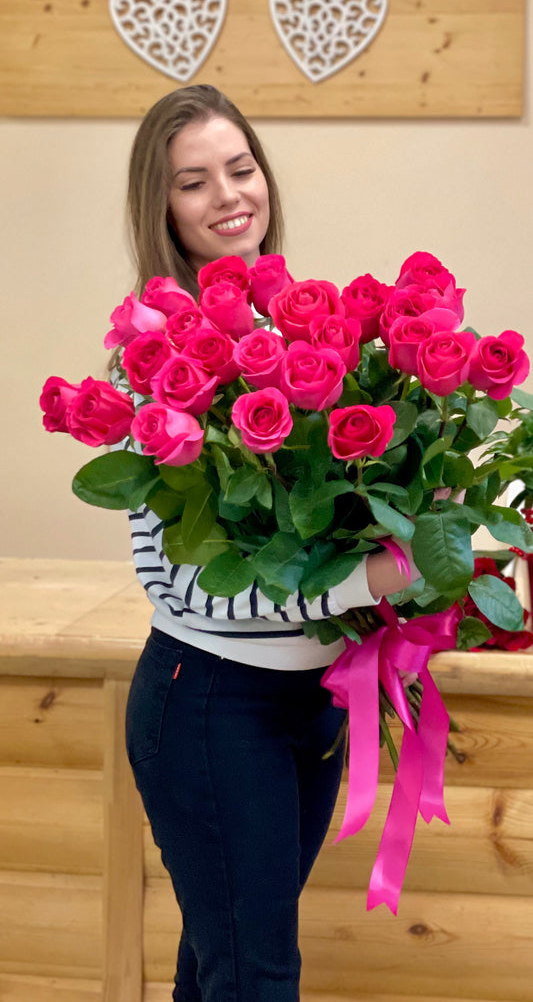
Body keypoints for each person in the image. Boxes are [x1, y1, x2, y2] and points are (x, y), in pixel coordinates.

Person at [122, 85, 418, 1002]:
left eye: (240, 169)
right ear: (161, 207)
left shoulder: (300, 341)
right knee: (253, 976)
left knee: (224, 970)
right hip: (211, 708)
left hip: (313, 706)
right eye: (193, 182)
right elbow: (180, 590)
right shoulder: (154, 364)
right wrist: (362, 579)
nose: (227, 197)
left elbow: (324, 525)